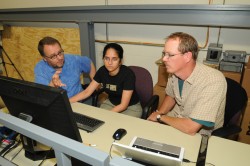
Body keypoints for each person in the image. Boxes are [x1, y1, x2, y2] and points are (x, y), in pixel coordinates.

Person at [147, 32, 227, 153]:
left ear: (187, 56)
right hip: (174, 120)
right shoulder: (174, 72)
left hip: (198, 133)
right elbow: (171, 95)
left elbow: (191, 128)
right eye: (164, 53)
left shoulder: (213, 80)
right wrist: (159, 113)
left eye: (170, 55)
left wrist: (160, 117)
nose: (164, 59)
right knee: (147, 142)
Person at [70, 43, 142, 118]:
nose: (110, 63)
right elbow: (87, 92)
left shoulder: (128, 74)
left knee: (116, 124)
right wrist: (67, 101)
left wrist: (106, 116)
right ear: (103, 59)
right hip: (111, 103)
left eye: (114, 59)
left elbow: (123, 105)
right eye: (107, 58)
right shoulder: (102, 71)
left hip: (131, 108)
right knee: (99, 122)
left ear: (120, 61)